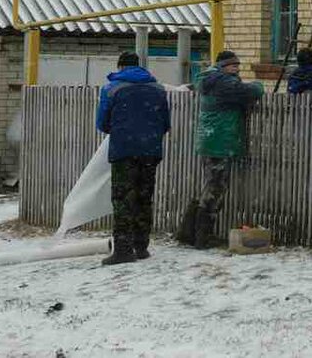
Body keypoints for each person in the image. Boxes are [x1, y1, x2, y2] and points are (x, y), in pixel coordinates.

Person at [95, 51, 170, 266]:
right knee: (144, 197)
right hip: (151, 151)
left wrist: (123, 132)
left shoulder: (111, 88)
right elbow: (165, 123)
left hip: (124, 151)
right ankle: (141, 246)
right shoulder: (158, 89)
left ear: (120, 67)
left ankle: (123, 250)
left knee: (122, 200)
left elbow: (102, 123)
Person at [185, 50, 263, 249]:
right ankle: (202, 236)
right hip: (219, 140)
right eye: (233, 65)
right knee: (216, 188)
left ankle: (190, 233)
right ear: (222, 66)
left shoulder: (210, 80)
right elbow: (249, 92)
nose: (237, 69)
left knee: (211, 186)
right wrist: (258, 85)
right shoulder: (223, 82)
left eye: (238, 65)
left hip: (210, 138)